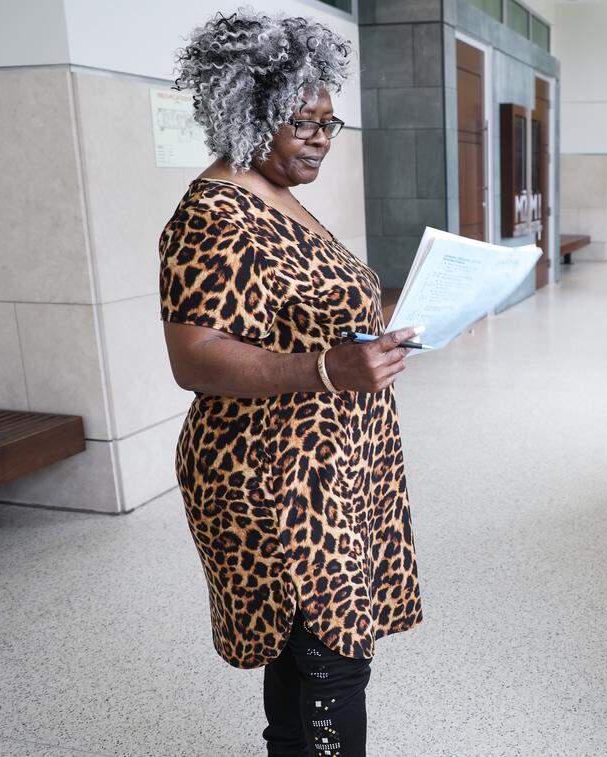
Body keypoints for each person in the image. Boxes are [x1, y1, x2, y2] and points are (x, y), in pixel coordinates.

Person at [160, 11, 424, 756]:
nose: (318, 136)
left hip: (331, 467)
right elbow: (194, 354)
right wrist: (326, 367)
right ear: (247, 110)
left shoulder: (279, 194)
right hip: (275, 478)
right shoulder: (215, 213)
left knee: (304, 654)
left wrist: (395, 321)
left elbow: (308, 310)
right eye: (299, 120)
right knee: (333, 659)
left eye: (327, 121)